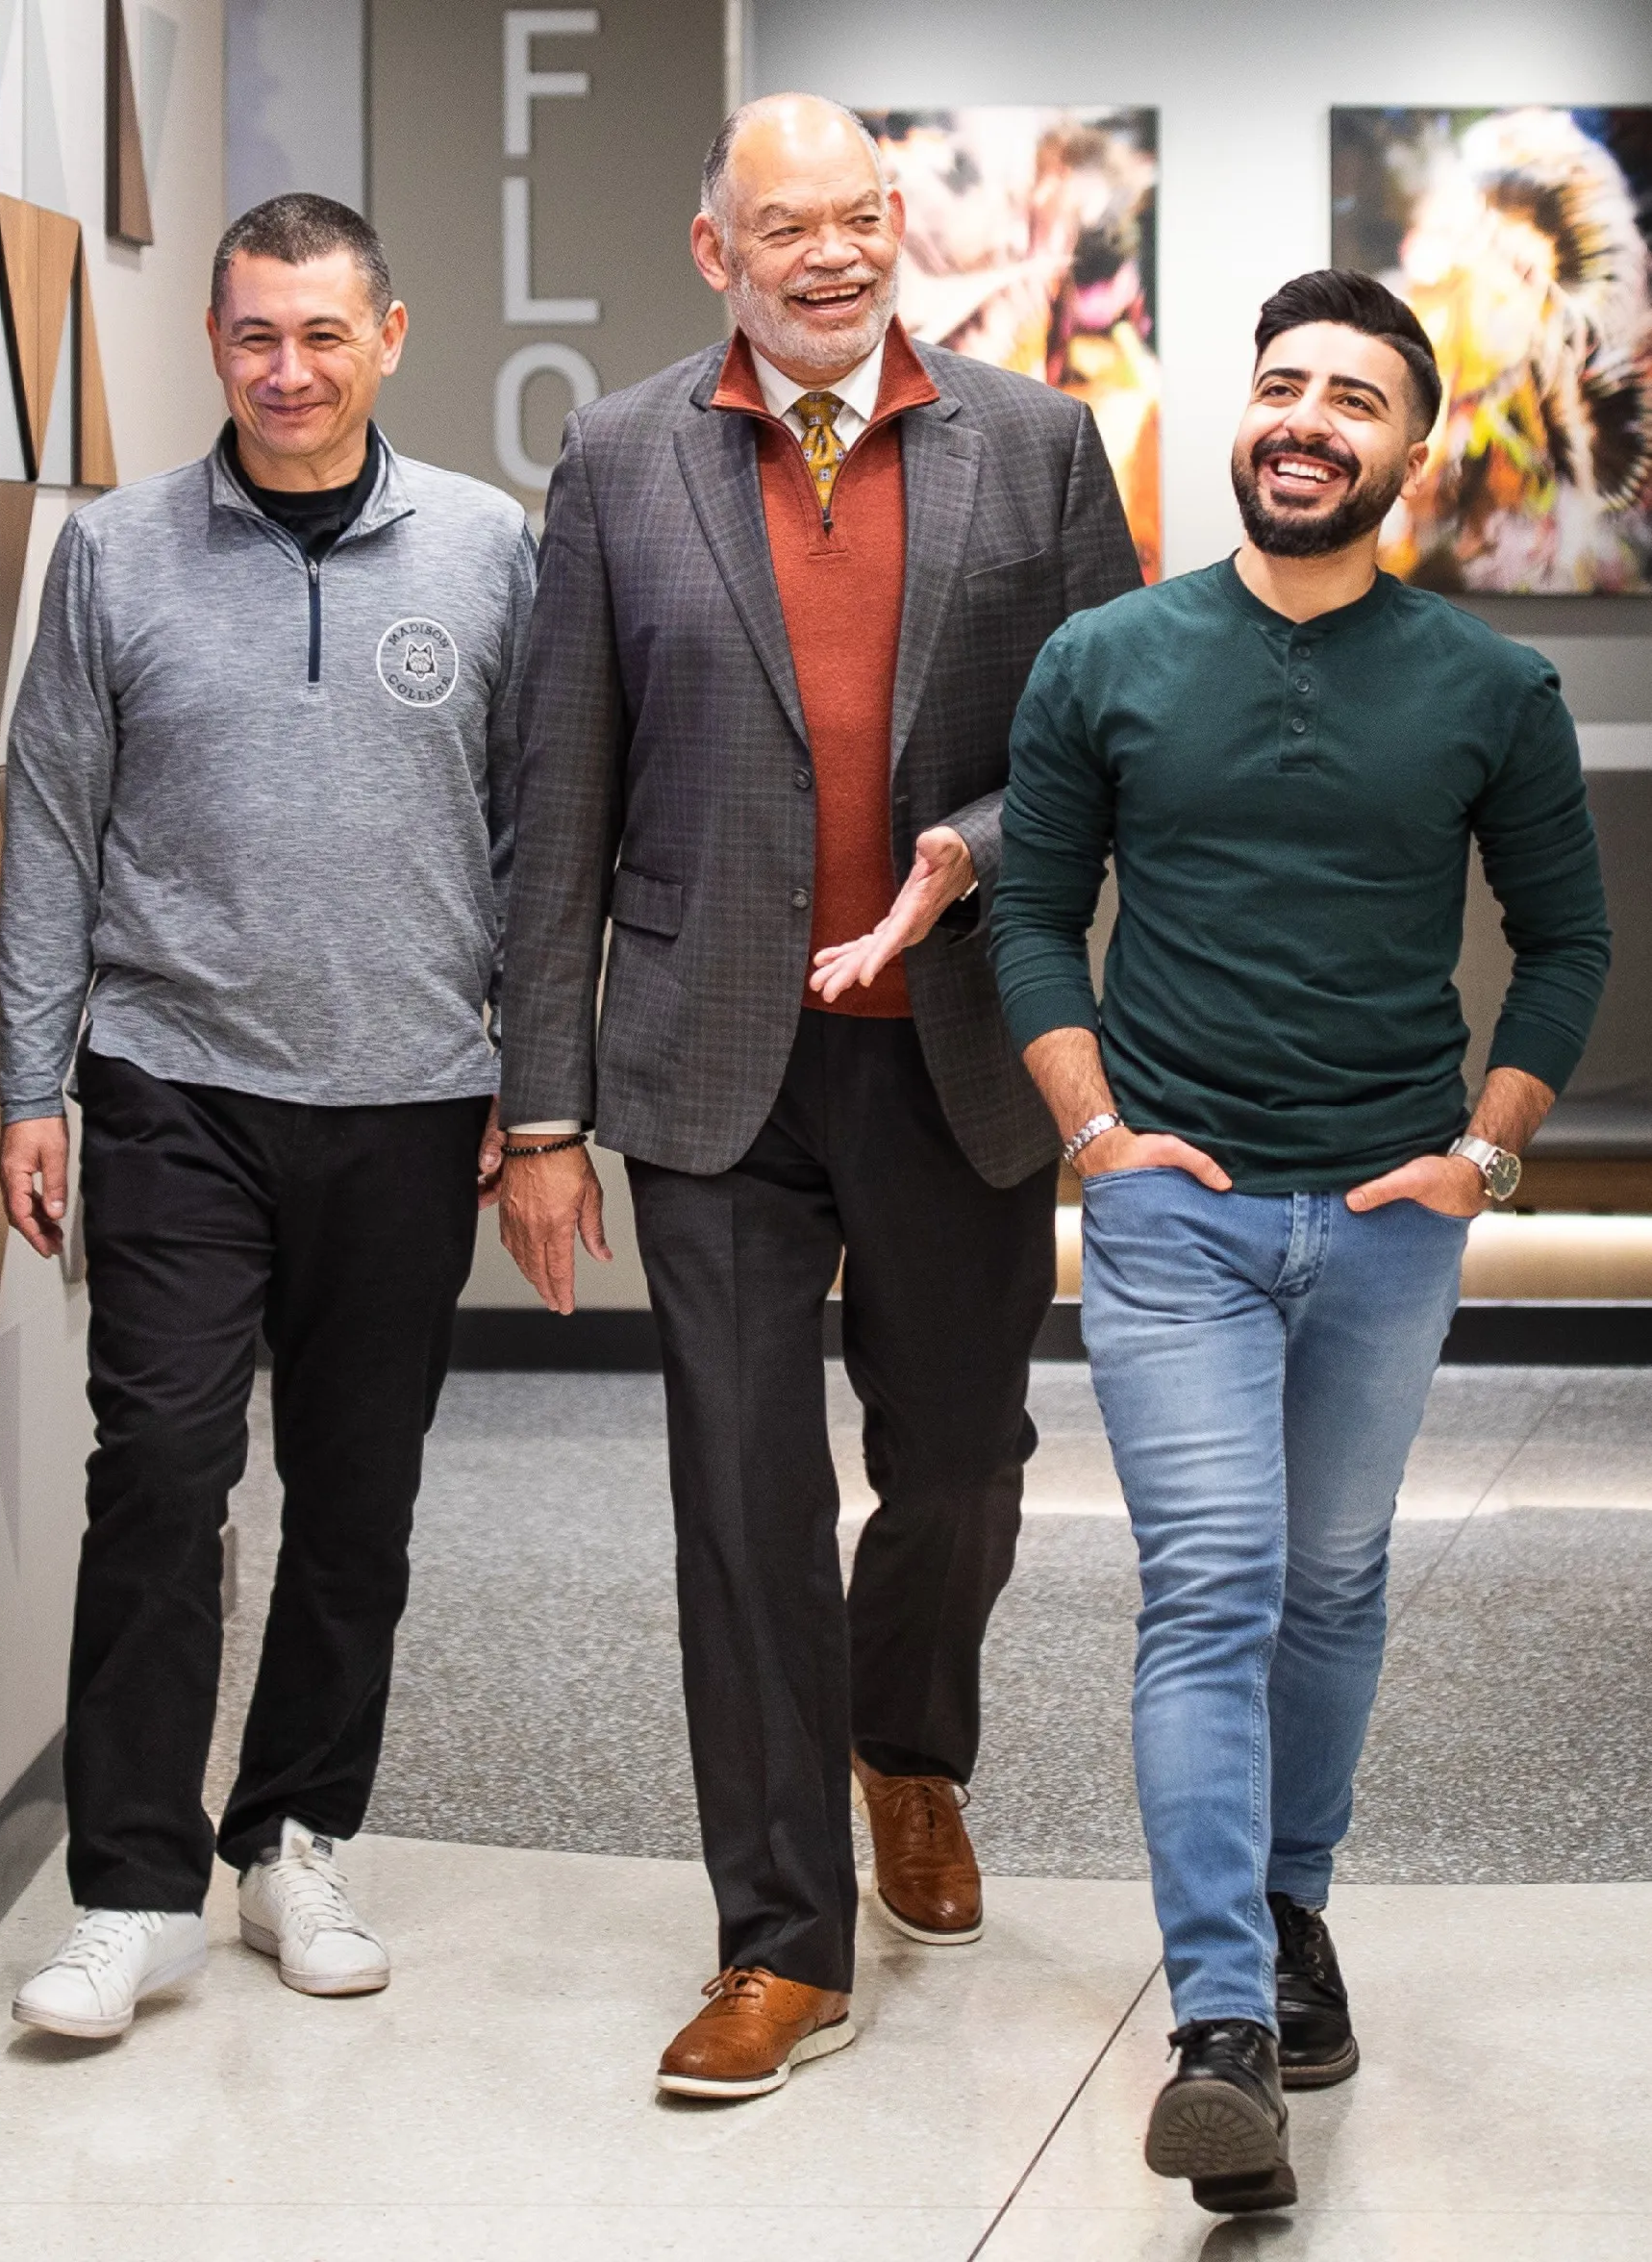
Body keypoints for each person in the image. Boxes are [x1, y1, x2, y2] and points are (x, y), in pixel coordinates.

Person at [496, 93, 1139, 2099]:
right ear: (718, 251)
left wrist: (959, 853)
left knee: (957, 1466)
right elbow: (560, 801)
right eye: (787, 227)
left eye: (860, 216)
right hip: (711, 1070)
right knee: (740, 1489)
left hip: (955, 1051)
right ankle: (777, 1941)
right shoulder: (616, 459)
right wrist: (538, 1115)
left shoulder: (1034, 445)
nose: (833, 254)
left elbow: (1105, 754)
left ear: (895, 226)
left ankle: (905, 1749)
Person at [991, 269, 1610, 2213]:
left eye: (1352, 397)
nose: (1306, 420)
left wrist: (1485, 1155)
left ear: (1409, 447)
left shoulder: (1487, 688)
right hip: (1172, 1216)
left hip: (1385, 1215)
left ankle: (1286, 1906)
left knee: (1333, 1582)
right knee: (1215, 1583)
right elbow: (1032, 914)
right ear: (1241, 415)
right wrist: (1096, 1136)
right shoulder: (1104, 659)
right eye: (1281, 384)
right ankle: (1221, 2028)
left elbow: (1567, 941)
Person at [0, 195, 535, 2039]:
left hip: (408, 1094)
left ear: (390, 335)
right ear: (213, 342)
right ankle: (132, 1890)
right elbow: (51, 829)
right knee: (158, 1470)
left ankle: (294, 1837)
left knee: (356, 1496)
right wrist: (31, 1085)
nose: (287, 371)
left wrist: (534, 1084)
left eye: (321, 334)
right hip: (173, 1087)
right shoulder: (115, 553)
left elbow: (539, 837)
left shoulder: (487, 546)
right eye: (253, 336)